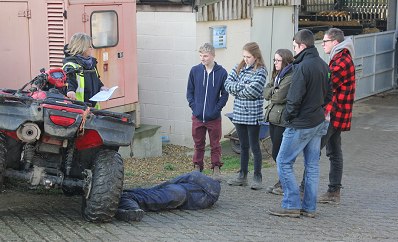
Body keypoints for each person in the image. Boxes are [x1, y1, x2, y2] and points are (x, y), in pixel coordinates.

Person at [268, 29, 332, 218]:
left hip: (302, 123)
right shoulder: (323, 65)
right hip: (318, 121)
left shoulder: (302, 67)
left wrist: (289, 117)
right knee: (312, 165)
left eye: (295, 47)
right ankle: (309, 208)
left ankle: (291, 204)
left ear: (302, 46)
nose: (294, 51)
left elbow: (294, 98)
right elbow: (329, 95)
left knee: (283, 161)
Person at [309, 28, 355, 205]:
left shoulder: (342, 60)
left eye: (325, 41)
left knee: (313, 149)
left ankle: (305, 190)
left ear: (335, 42)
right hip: (337, 112)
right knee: (334, 151)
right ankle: (333, 192)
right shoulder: (338, 57)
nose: (322, 44)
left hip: (334, 113)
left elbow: (326, 84)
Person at [224, 42, 267, 190]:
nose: (246, 59)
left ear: (256, 57)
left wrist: (238, 89)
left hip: (253, 114)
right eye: (244, 56)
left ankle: (257, 176)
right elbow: (227, 84)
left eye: (248, 57)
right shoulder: (239, 67)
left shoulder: (261, 71)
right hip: (239, 113)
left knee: (255, 146)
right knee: (243, 146)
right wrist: (243, 87)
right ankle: (242, 175)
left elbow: (253, 91)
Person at [186, 43, 229, 182]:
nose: (202, 58)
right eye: (200, 55)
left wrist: (217, 109)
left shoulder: (222, 73)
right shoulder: (195, 71)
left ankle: (216, 168)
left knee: (215, 144)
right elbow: (189, 92)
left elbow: (225, 94)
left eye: (205, 56)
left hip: (214, 117)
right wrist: (194, 107)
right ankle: (198, 166)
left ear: (213, 56)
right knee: (198, 144)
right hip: (198, 116)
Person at [115, 171, 221, 221]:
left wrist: (155, 188)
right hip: (182, 198)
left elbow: (173, 181)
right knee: (148, 197)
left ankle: (129, 204)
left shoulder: (198, 177)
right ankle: (127, 201)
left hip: (178, 192)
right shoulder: (211, 198)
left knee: (147, 195)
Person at [263, 49, 294, 195]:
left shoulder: (290, 75)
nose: (275, 63)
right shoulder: (277, 76)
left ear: (286, 61)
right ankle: (282, 181)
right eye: (274, 60)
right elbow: (266, 91)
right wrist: (273, 90)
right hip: (273, 118)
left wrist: (274, 92)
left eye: (278, 60)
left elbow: (279, 97)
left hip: (282, 119)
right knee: (276, 153)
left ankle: (285, 183)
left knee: (280, 154)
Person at [63, 33, 109, 109]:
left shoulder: (92, 63)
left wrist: (101, 87)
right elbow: (69, 82)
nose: (92, 48)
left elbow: (96, 79)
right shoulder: (71, 65)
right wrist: (70, 91)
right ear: (82, 47)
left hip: (92, 109)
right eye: (90, 46)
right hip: (78, 109)